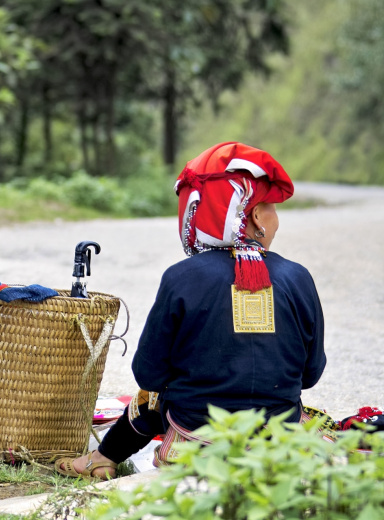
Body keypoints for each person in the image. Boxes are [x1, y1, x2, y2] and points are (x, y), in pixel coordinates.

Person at [55, 142, 326, 479]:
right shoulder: (297, 277)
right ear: (254, 216)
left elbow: (150, 374)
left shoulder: (181, 277)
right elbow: (311, 374)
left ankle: (101, 458)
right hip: (278, 437)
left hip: (198, 436)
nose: (276, 219)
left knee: (151, 397)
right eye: (271, 207)